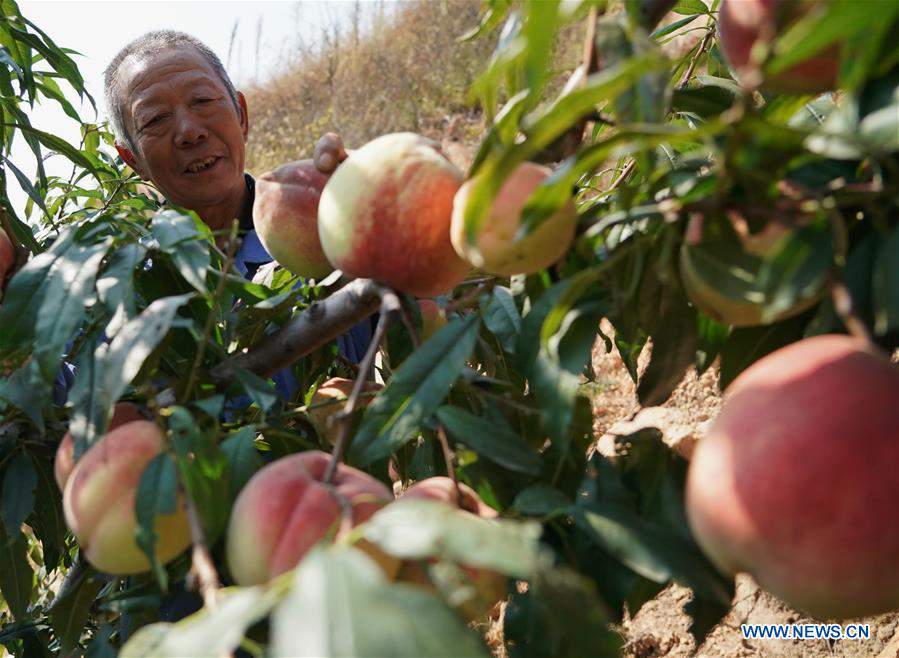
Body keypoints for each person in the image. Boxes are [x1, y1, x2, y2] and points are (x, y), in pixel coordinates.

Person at [102, 31, 372, 399]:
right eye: (155, 120)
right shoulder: (119, 295)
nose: (189, 131)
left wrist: (381, 202)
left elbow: (437, 303)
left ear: (241, 116)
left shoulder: (326, 222)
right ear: (132, 160)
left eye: (202, 100)